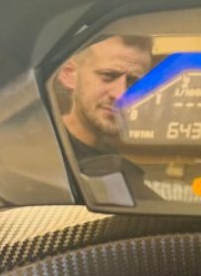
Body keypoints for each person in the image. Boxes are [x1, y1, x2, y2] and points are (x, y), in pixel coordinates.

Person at [56, 34, 156, 200]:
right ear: (69, 74)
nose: (120, 94)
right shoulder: (44, 156)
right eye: (108, 76)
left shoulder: (113, 163)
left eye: (133, 82)